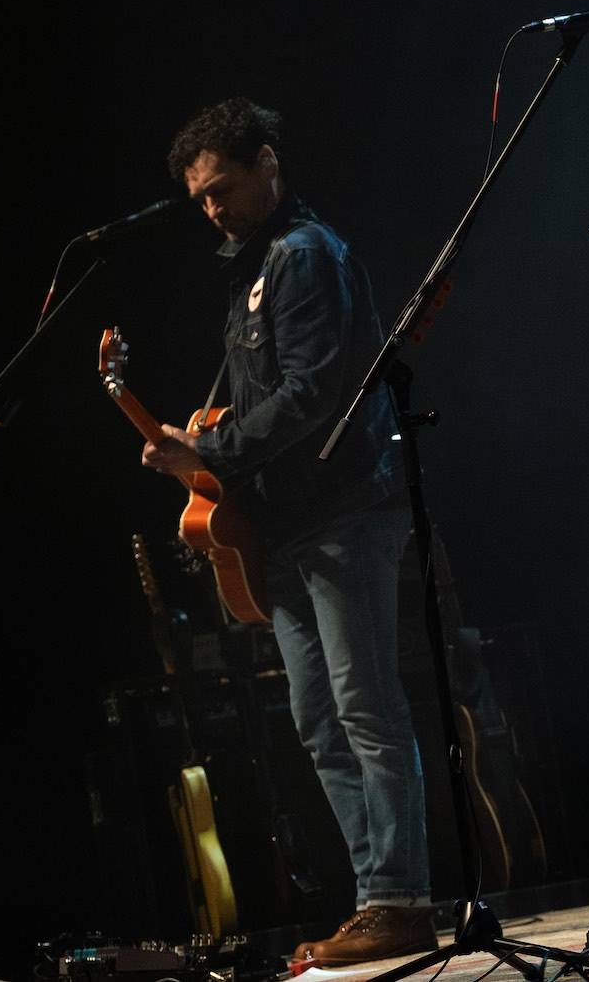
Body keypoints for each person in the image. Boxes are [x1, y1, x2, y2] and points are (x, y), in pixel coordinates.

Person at [144, 98, 435, 964]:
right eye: (199, 198)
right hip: (292, 527)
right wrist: (203, 444)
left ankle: (402, 896)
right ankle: (373, 892)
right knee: (316, 715)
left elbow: (311, 395)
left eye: (222, 188)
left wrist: (211, 445)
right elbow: (250, 401)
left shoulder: (305, 256)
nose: (212, 208)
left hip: (347, 512)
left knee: (365, 706)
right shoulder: (254, 270)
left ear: (268, 163)